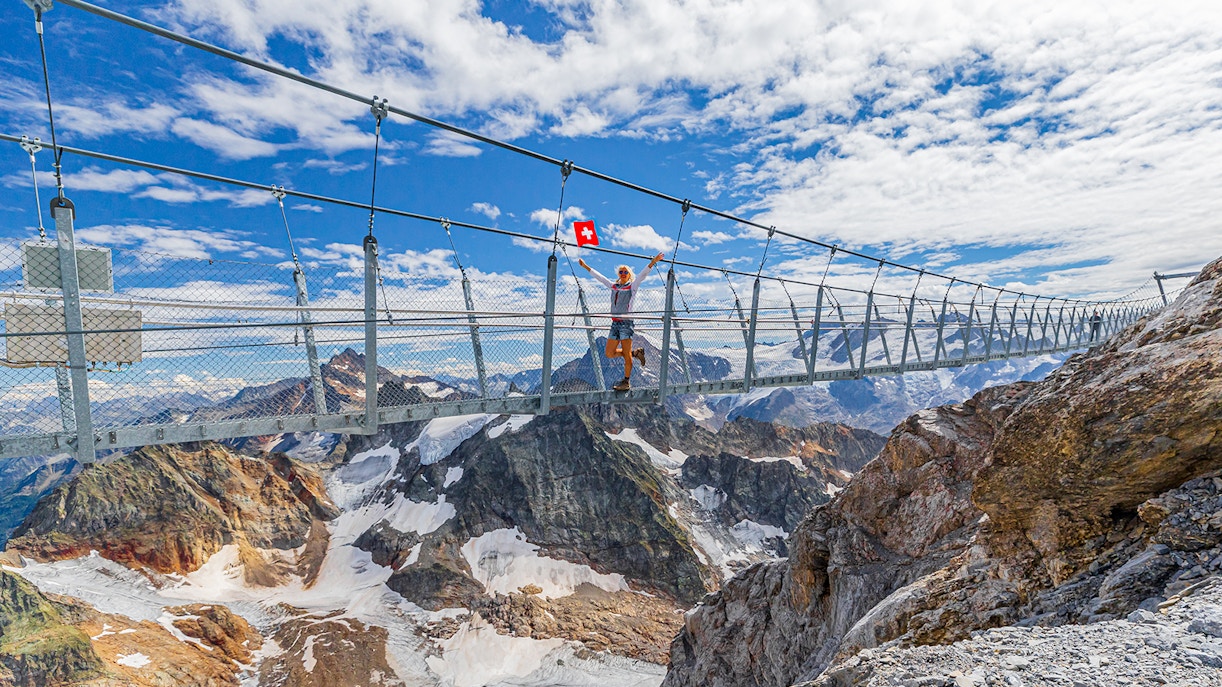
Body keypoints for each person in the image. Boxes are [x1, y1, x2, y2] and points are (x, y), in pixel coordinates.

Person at [578, 252, 665, 391]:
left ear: (629, 274)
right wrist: (585, 266)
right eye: (621, 271)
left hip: (626, 324)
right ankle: (635, 353)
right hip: (615, 324)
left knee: (625, 355)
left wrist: (654, 261)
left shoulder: (632, 286)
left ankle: (626, 382)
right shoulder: (613, 286)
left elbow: (642, 275)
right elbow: (601, 278)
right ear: (618, 274)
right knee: (609, 353)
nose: (623, 273)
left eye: (626, 271)